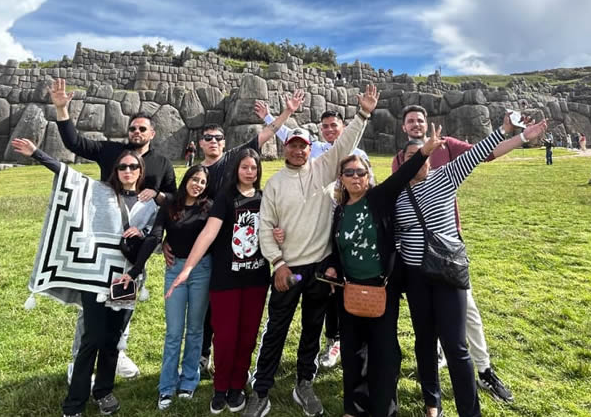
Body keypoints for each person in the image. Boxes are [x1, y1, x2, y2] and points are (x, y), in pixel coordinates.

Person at [394, 113, 546, 417]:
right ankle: (432, 403)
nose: (417, 160)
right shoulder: (396, 193)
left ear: (431, 157)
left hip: (447, 272)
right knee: (424, 342)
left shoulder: (445, 177)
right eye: (411, 156)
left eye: (423, 154)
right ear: (402, 163)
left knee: (455, 344)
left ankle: (469, 411)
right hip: (415, 277)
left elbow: (478, 153)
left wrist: (514, 134)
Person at [245, 84, 377, 417]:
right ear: (286, 147)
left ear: (309, 149)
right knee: (276, 328)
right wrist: (277, 264)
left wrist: (363, 114)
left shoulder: (323, 170)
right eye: (293, 145)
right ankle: (261, 389)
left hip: (319, 269)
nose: (298, 150)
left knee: (312, 329)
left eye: (303, 146)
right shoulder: (274, 184)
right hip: (289, 269)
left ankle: (305, 382)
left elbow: (346, 143)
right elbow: (265, 227)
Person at [12, 138, 159, 417]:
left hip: (127, 280)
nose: (127, 171)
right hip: (95, 276)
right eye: (122, 167)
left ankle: (103, 391)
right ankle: (74, 403)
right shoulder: (99, 192)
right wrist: (37, 154)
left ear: (140, 171)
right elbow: (67, 174)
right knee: (91, 338)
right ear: (116, 171)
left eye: (133, 167)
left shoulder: (150, 204)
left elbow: (156, 237)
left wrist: (142, 236)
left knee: (112, 340)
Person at [311, 125, 445, 417]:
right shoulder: (339, 211)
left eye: (361, 172)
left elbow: (401, 175)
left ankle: (384, 408)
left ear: (368, 175)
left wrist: (424, 151)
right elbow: (335, 250)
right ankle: (354, 408)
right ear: (342, 179)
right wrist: (331, 268)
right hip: (349, 292)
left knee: (384, 354)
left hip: (382, 289)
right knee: (352, 354)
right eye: (350, 173)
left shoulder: (379, 199)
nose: (356, 178)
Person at [50, 78, 176, 379]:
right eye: (132, 128)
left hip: (137, 246)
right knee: (93, 303)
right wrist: (61, 110)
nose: (136, 132)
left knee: (124, 297)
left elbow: (173, 200)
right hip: (102, 240)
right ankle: (79, 359)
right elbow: (75, 143)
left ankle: (116, 352)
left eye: (142, 129)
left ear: (152, 133)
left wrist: (158, 201)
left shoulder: (161, 163)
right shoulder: (111, 153)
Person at [180, 93, 301, 376]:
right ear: (201, 143)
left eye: (218, 138)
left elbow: (267, 133)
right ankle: (202, 354)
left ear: (224, 143)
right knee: (204, 306)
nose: (213, 142)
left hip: (231, 245)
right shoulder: (195, 173)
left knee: (223, 303)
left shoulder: (233, 160)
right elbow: (178, 205)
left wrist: (286, 112)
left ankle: (222, 358)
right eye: (208, 138)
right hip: (202, 243)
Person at [166, 149, 270, 414]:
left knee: (247, 336)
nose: (249, 172)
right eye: (245, 167)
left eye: (254, 168)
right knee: (225, 336)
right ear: (236, 169)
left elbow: (273, 230)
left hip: (256, 279)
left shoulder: (264, 198)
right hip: (226, 280)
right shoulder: (225, 198)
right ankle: (220, 387)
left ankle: (237, 386)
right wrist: (188, 267)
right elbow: (208, 234)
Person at [149, 165, 212, 410]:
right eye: (194, 179)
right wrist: (160, 244)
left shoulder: (208, 207)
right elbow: (156, 232)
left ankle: (189, 381)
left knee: (196, 329)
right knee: (174, 331)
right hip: (175, 269)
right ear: (186, 179)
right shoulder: (170, 205)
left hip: (202, 271)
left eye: (203, 182)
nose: (198, 185)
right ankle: (166, 386)